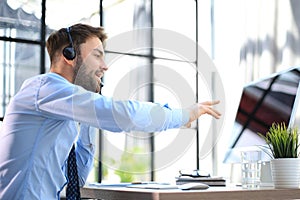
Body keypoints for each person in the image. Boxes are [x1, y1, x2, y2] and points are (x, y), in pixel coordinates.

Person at [0, 23, 221, 200]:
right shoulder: (45, 89)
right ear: (69, 55)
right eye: (97, 55)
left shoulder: (62, 107)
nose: (105, 66)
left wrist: (89, 116)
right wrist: (182, 115)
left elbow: (76, 180)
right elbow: (123, 115)